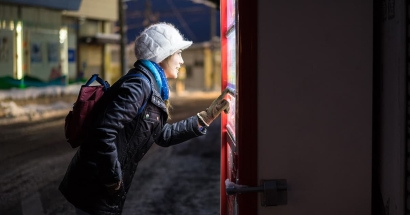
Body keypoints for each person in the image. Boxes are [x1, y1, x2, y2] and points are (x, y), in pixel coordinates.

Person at [59, 22, 231, 215]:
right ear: (162, 55)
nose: (182, 60)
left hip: (99, 187)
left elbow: (162, 135)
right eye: (178, 53)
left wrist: (206, 117)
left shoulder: (151, 84)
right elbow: (103, 131)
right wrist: (113, 178)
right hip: (92, 186)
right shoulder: (139, 85)